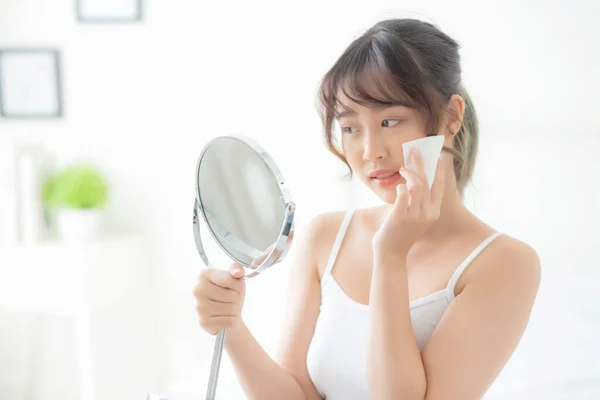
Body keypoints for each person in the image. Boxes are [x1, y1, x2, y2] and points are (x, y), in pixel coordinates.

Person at [193, 17, 541, 400]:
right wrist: (232, 328)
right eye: (350, 128)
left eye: (389, 121)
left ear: (451, 116)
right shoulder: (325, 237)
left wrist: (390, 256)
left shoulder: (504, 264)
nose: (371, 151)